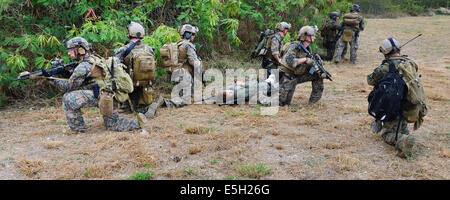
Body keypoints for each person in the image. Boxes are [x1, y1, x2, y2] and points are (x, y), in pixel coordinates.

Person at [33, 37, 147, 133]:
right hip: (110, 97)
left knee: (68, 98)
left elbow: (68, 87)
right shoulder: (94, 59)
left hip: (104, 97)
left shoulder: (83, 66)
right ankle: (138, 122)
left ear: (80, 50)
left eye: (71, 50)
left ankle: (78, 129)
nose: (68, 53)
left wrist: (51, 79)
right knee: (113, 125)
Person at [367, 38, 427, 158]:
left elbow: (370, 80)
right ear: (399, 50)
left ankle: (401, 140)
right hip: (411, 106)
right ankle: (404, 136)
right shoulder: (411, 63)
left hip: (393, 108)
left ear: (384, 53)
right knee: (401, 128)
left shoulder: (386, 67)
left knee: (387, 133)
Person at [143, 24, 203, 118]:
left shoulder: (178, 44)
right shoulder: (188, 46)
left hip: (177, 74)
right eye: (192, 34)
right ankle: (163, 101)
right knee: (184, 101)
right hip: (184, 76)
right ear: (187, 35)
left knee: (188, 96)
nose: (193, 37)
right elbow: (195, 63)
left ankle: (172, 99)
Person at [278, 26, 325, 106]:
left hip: (297, 75)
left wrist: (315, 70)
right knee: (282, 103)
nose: (314, 37)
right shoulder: (294, 46)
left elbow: (307, 67)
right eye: (312, 35)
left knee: (317, 76)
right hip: (287, 76)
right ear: (306, 36)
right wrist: (305, 60)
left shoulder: (307, 49)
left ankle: (314, 103)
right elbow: (290, 61)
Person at [116, 21, 156, 112]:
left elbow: (115, 66)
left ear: (130, 33)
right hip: (146, 83)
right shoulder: (149, 49)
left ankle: (126, 105)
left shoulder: (123, 49)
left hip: (129, 84)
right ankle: (143, 106)